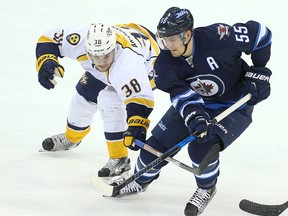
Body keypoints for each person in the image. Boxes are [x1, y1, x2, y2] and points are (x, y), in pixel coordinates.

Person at [114, 7, 272, 216]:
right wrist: (196, 118)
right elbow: (183, 98)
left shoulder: (220, 38)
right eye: (163, 39)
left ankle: (206, 188)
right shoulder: (165, 65)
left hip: (234, 104)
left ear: (187, 35)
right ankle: (140, 180)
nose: (167, 46)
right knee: (154, 148)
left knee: (201, 149)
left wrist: (259, 71)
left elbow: (261, 34)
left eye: (172, 40)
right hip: (197, 103)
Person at [35, 22, 160, 182]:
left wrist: (137, 125)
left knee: (109, 101)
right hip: (129, 41)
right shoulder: (81, 39)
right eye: (95, 56)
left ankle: (120, 159)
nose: (101, 62)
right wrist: (47, 61)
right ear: (87, 49)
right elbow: (49, 39)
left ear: (113, 49)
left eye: (105, 56)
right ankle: (72, 138)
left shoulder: (127, 66)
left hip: (148, 66)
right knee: (82, 99)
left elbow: (140, 99)